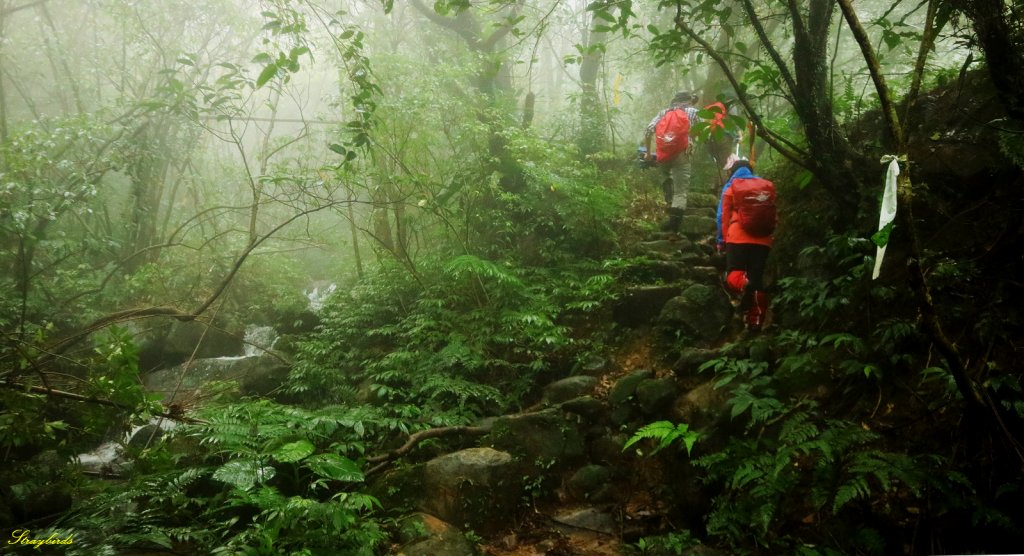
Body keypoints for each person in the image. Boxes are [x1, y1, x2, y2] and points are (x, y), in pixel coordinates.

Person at [717, 158, 776, 331]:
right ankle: (755, 320)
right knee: (757, 279)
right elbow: (772, 214)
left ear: (732, 171)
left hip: (737, 237)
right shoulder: (766, 186)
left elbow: (723, 216)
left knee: (734, 276)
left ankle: (745, 284)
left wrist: (721, 241)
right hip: (763, 239)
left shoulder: (731, 187)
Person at [642, 91, 699, 233]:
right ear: (689, 101)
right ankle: (674, 230)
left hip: (664, 154)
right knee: (680, 193)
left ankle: (669, 201)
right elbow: (705, 131)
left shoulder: (663, 113)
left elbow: (648, 131)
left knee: (666, 175)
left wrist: (649, 154)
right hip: (682, 154)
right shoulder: (693, 112)